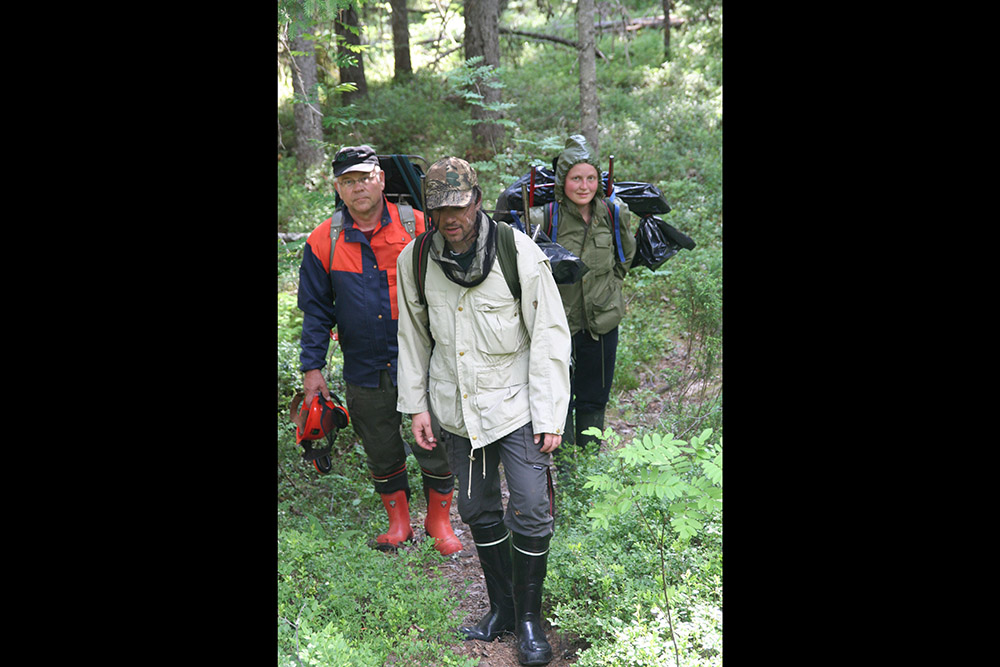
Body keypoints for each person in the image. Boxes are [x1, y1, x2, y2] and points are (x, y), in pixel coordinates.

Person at [395, 157, 571, 666]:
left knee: (533, 508)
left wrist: (550, 415)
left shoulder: (517, 252)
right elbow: (412, 338)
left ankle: (531, 620)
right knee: (475, 510)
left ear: (477, 200)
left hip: (516, 405)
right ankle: (503, 610)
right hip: (455, 408)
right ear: (429, 210)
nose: (452, 219)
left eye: (460, 206)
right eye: (440, 209)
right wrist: (416, 407)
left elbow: (550, 336)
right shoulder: (416, 259)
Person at [297, 144, 462, 556]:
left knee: (437, 438)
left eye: (365, 178)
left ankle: (439, 522)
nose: (358, 189)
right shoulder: (323, 241)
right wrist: (312, 369)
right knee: (379, 441)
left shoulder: (420, 227)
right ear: (338, 187)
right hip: (364, 363)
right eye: (348, 182)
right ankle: (399, 523)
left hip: (424, 358)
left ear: (381, 179)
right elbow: (316, 311)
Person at [527, 135, 636, 459]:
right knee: (561, 397)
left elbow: (625, 257)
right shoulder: (546, 218)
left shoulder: (614, 214)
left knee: (594, 397)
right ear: (564, 181)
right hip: (559, 323)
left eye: (591, 178)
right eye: (576, 178)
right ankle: (566, 470)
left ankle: (589, 462)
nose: (584, 185)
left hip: (602, 322)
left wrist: (609, 288)